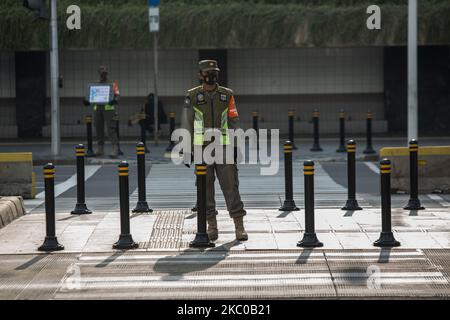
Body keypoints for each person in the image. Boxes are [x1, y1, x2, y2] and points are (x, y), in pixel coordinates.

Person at [181, 59, 248, 241]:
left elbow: (234, 121)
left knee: (231, 186)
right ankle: (211, 226)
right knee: (205, 189)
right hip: (201, 150)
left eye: (214, 72)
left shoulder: (227, 95)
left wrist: (236, 146)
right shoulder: (192, 96)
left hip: (224, 148)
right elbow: (186, 123)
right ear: (200, 75)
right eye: (207, 73)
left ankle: (239, 226)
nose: (211, 76)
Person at [83, 65, 120, 158]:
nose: (103, 74)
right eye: (102, 72)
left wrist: (115, 100)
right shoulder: (95, 85)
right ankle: (100, 149)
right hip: (97, 109)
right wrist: (87, 100)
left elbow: (118, 95)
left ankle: (115, 149)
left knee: (111, 129)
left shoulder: (112, 84)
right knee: (98, 128)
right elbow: (90, 97)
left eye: (105, 72)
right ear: (99, 73)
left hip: (109, 109)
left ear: (107, 73)